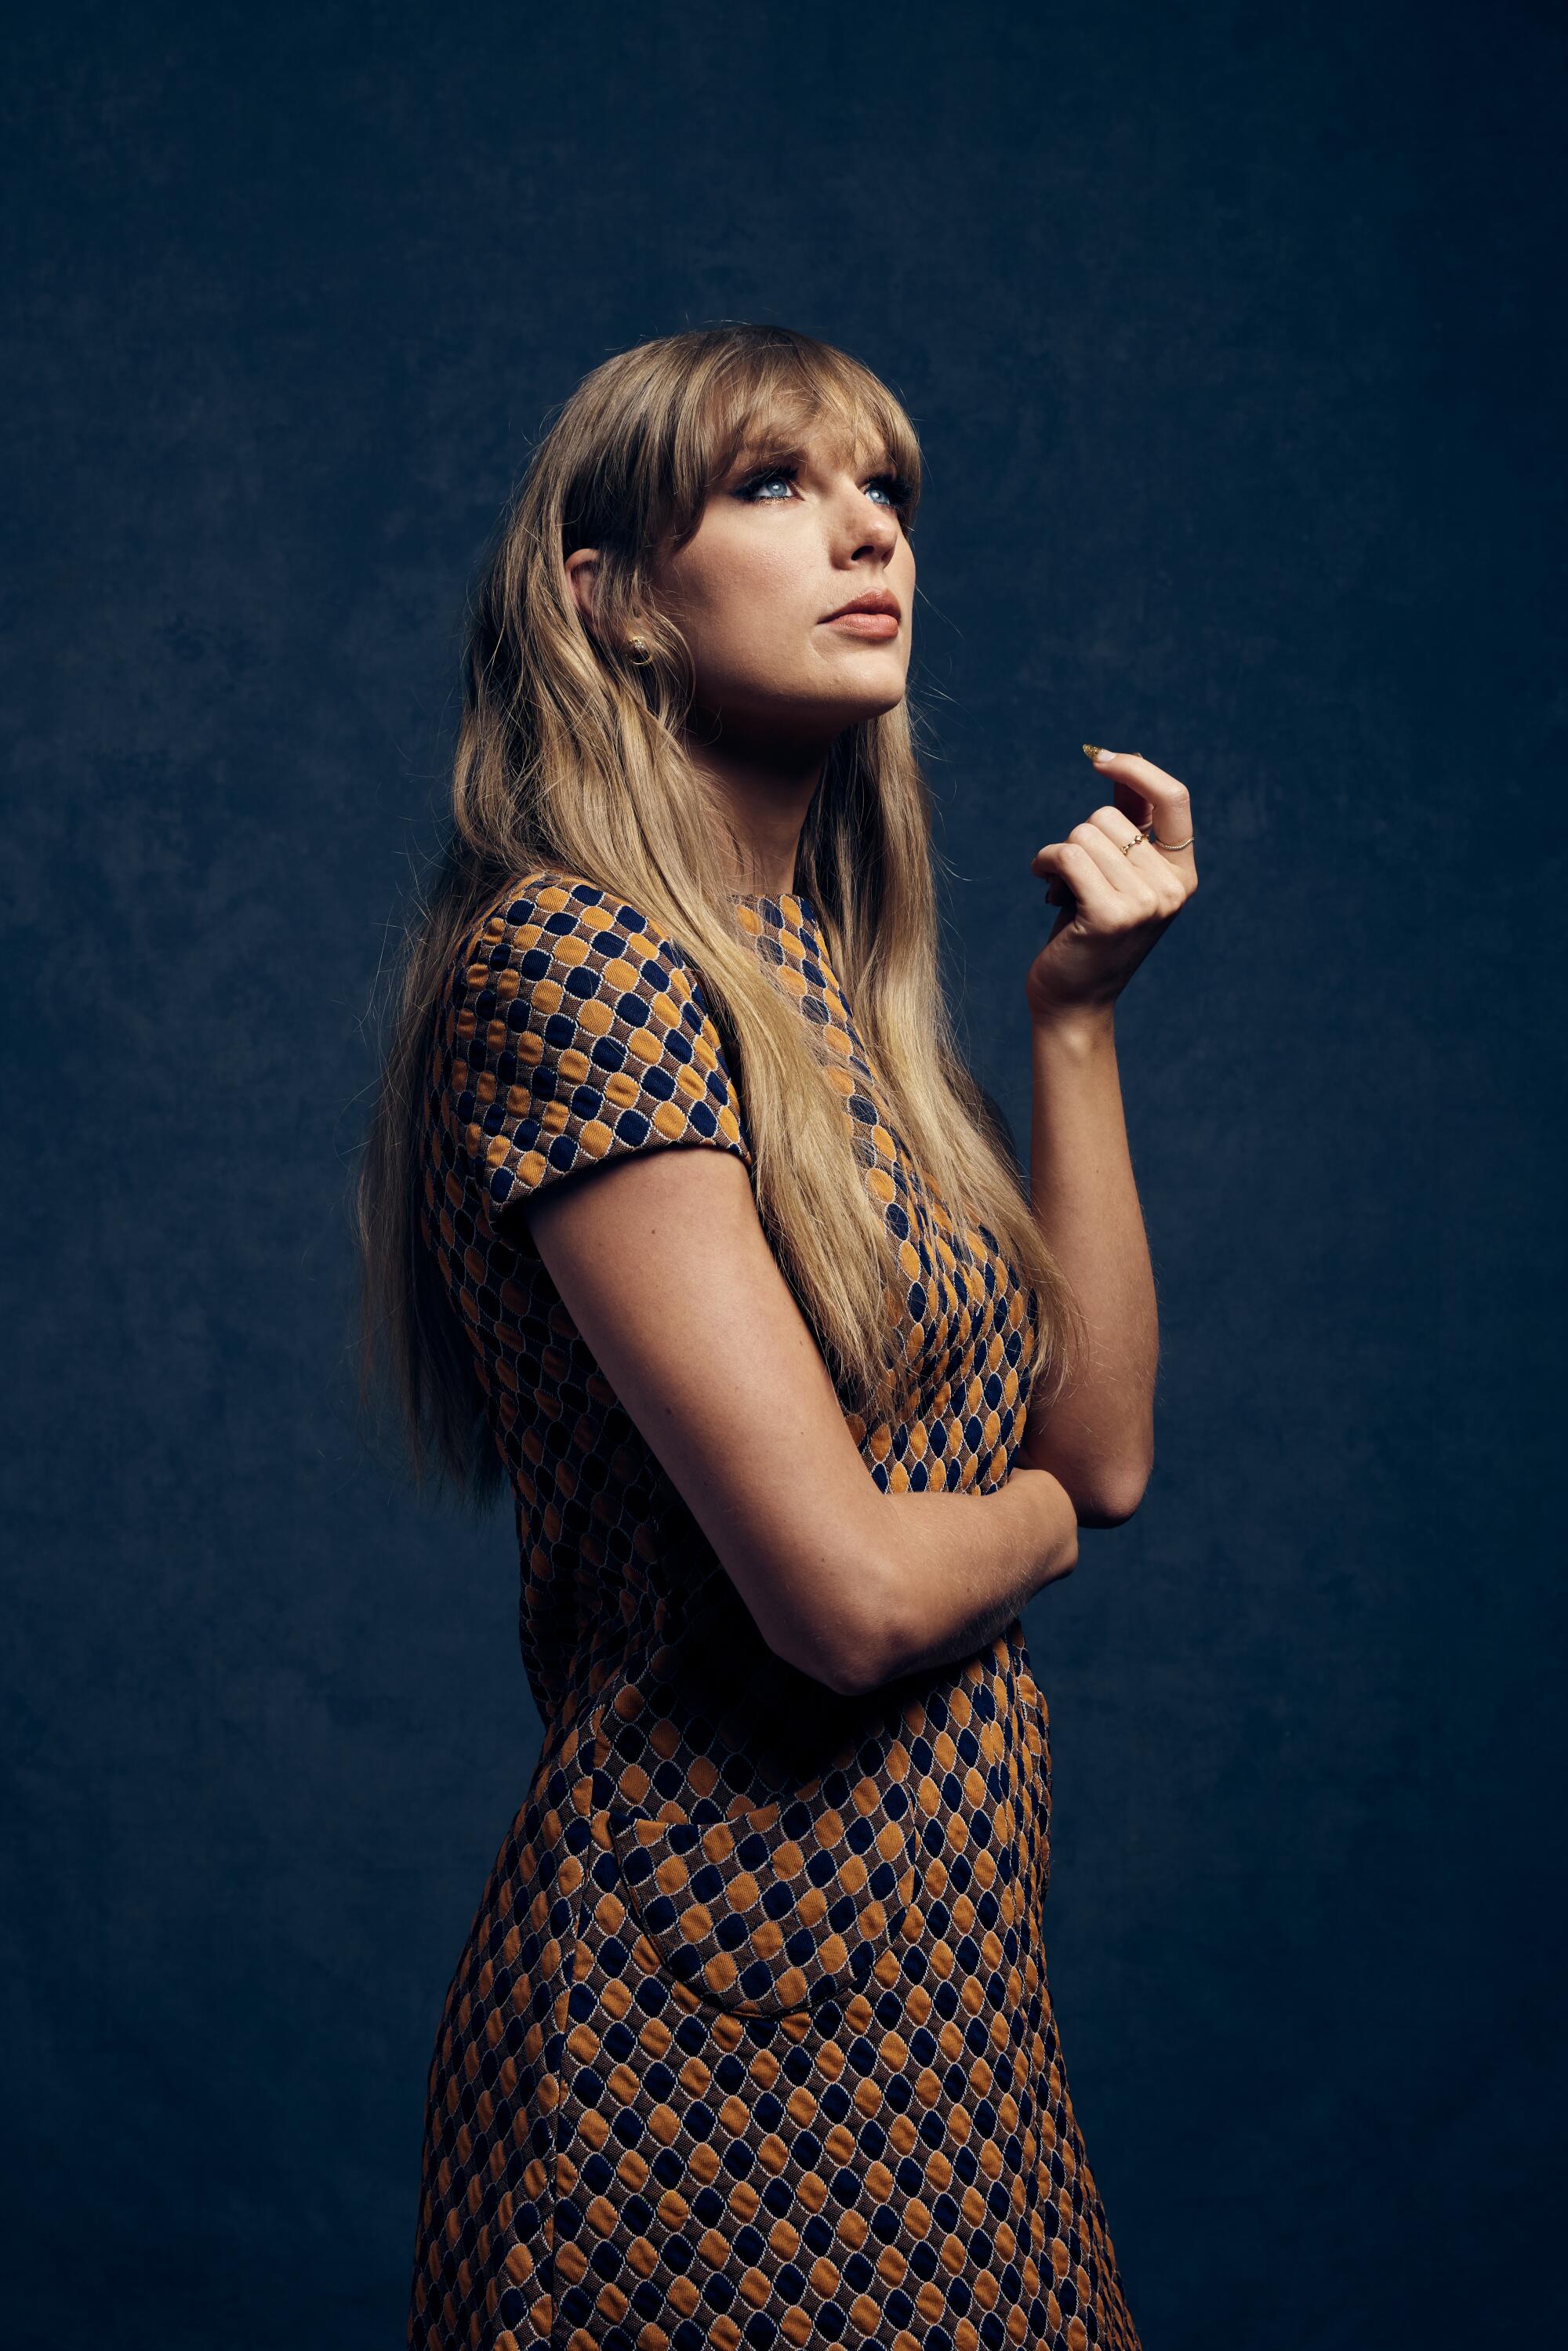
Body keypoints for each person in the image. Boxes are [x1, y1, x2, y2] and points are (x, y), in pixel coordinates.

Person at [358, 321, 1196, 2351]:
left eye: (882, 492)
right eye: (773, 487)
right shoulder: (578, 964)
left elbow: (1099, 1451)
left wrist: (1071, 1023)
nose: (865, 534)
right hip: (695, 2026)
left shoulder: (835, 997)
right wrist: (1022, 1545)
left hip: (950, 2018)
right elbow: (843, 1596)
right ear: (613, 600)